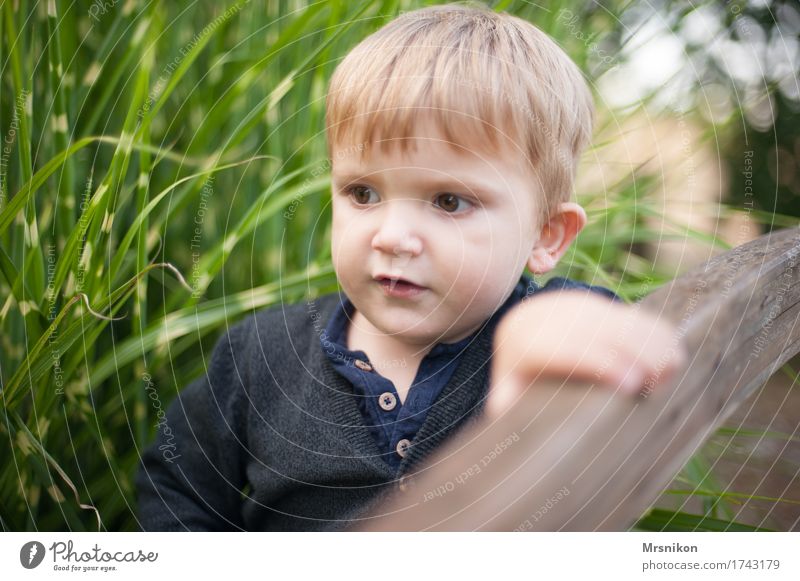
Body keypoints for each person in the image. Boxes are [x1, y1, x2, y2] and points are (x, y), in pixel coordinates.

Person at [135, 3, 685, 531]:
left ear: (545, 235)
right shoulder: (260, 355)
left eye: (449, 201)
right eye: (363, 192)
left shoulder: (544, 341)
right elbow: (177, 488)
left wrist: (533, 329)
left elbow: (610, 341)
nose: (392, 236)